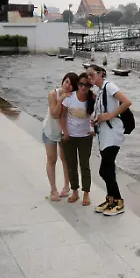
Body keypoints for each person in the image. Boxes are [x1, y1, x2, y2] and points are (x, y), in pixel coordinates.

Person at [87, 65, 132, 216]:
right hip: (104, 134)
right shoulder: (100, 91)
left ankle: (119, 202)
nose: (89, 78)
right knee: (108, 169)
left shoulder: (109, 86)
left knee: (104, 170)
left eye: (92, 75)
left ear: (100, 73)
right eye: (87, 76)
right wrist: (96, 119)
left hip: (113, 134)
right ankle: (111, 199)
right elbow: (101, 111)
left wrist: (110, 115)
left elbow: (126, 102)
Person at [60, 73, 95, 206]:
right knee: (71, 164)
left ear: (90, 86)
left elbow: (97, 115)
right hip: (70, 136)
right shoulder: (70, 98)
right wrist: (65, 132)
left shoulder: (92, 98)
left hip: (85, 137)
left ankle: (86, 193)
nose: (83, 87)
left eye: (86, 85)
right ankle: (75, 191)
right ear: (77, 85)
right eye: (81, 84)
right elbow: (62, 116)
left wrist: (94, 130)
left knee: (84, 165)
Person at [42, 73, 77, 201]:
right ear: (63, 81)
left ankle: (67, 186)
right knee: (52, 160)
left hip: (64, 132)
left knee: (65, 159)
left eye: (71, 84)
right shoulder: (53, 94)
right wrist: (61, 99)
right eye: (66, 82)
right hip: (50, 130)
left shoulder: (74, 97)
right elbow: (55, 114)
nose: (68, 85)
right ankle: (53, 189)